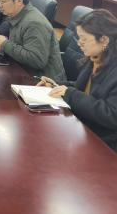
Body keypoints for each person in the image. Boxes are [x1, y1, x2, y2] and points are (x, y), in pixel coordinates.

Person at [38, 9, 117, 151]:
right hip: (83, 127)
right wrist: (56, 85)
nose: (79, 43)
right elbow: (85, 88)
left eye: (84, 39)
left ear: (104, 40)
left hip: (105, 143)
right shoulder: (96, 57)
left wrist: (70, 93)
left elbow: (111, 115)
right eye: (79, 38)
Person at [0, 0, 66, 81]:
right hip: (23, 71)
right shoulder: (15, 15)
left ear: (19, 1)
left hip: (43, 81)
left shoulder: (34, 23)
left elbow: (37, 60)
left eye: (2, 1)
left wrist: (5, 44)